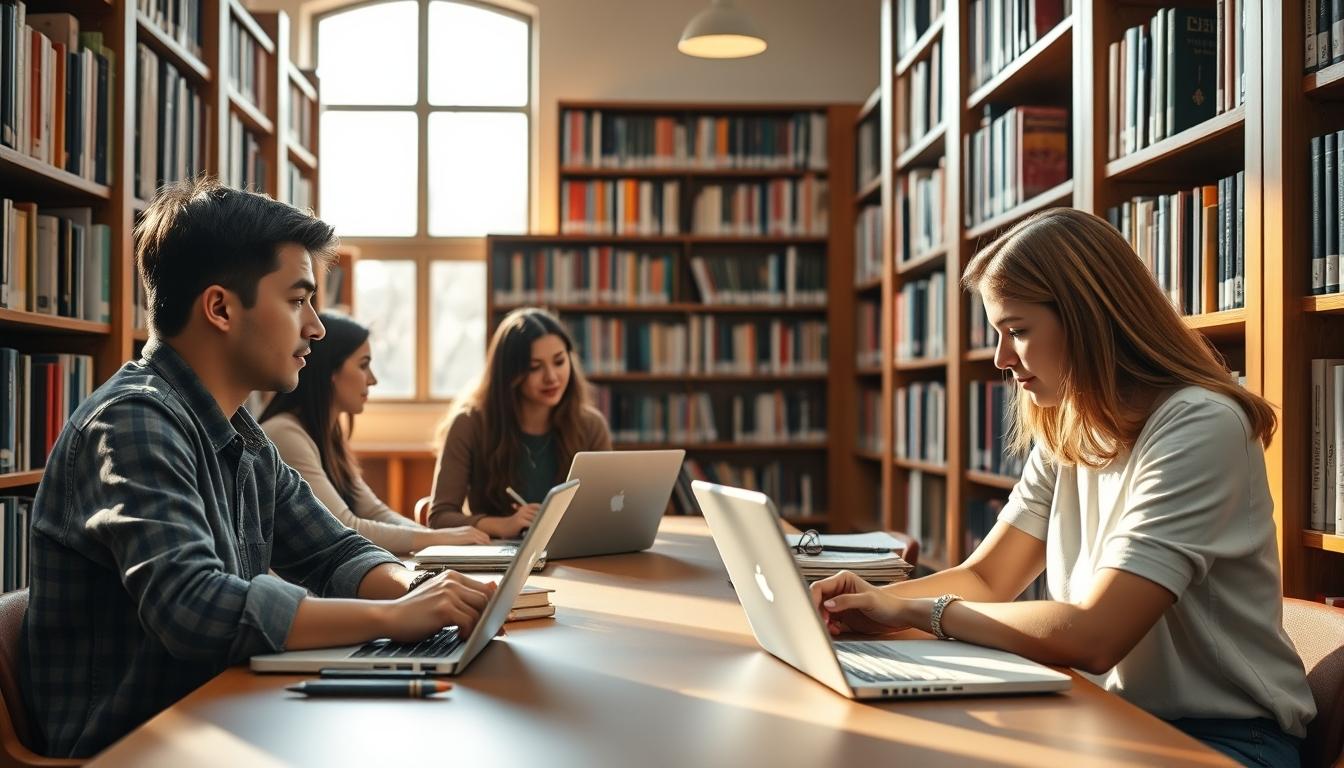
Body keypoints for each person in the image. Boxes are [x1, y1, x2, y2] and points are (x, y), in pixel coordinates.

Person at [810, 208, 1315, 768]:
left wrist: (912, 611)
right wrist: (864, 606)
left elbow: (1094, 634)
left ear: (1090, 318)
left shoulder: (1201, 425)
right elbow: (987, 576)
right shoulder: (1072, 425)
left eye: (1018, 331)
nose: (1003, 360)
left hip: (1223, 741)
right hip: (1104, 718)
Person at [20, 178, 495, 758]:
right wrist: (392, 617)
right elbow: (192, 607)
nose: (316, 326)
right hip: (138, 745)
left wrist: (427, 591)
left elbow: (333, 551)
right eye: (298, 300)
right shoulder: (132, 422)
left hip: (221, 716)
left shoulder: (242, 434)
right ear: (220, 307)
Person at [259, 312, 489, 554]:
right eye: (363, 365)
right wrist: (438, 540)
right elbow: (345, 526)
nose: (373, 380)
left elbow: (375, 512)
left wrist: (439, 540)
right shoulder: (286, 433)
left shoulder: (328, 436)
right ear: (331, 373)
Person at [428, 307, 610, 537]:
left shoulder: (590, 425)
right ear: (509, 375)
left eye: (559, 361)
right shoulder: (469, 424)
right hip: (498, 559)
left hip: (574, 555)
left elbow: (606, 510)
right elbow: (439, 517)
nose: (551, 377)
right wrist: (502, 525)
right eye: (535, 367)